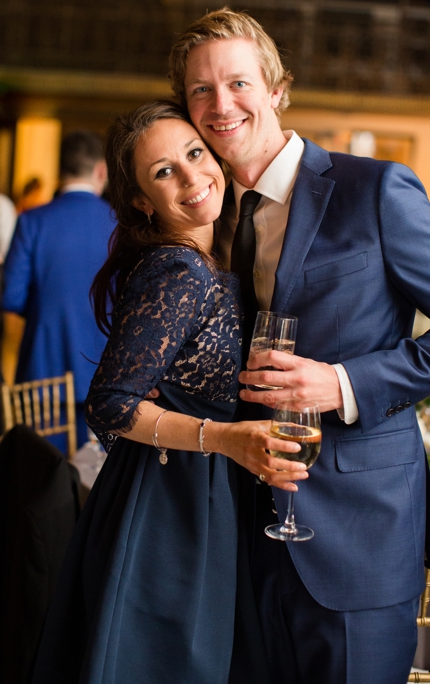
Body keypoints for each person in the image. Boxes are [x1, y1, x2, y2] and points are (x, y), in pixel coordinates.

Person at [169, 8, 430, 684]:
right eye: (201, 90)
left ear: (277, 88)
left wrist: (342, 384)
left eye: (238, 83)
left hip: (360, 537)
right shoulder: (212, 213)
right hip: (244, 531)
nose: (221, 104)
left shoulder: (375, 190)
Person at [31, 101, 308, 684]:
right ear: (139, 199)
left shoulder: (213, 259)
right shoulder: (178, 270)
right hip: (169, 502)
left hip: (197, 488)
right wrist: (227, 438)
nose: (190, 177)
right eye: (163, 172)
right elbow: (109, 402)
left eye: (194, 154)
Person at [2, 132, 115, 453]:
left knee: (45, 479)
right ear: (101, 171)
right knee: (97, 481)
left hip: (43, 371)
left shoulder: (32, 222)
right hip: (104, 372)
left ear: (59, 171)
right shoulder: (119, 225)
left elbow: (11, 296)